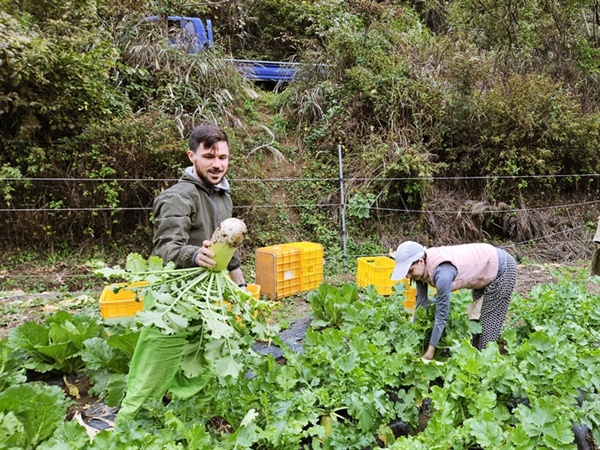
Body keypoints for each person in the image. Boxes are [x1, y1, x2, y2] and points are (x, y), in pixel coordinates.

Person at [115, 124, 247, 427]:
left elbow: (228, 249)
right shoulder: (177, 197)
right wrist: (193, 255)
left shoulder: (222, 195)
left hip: (205, 295)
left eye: (223, 157)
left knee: (195, 359)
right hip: (172, 297)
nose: (217, 164)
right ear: (192, 156)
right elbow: (164, 250)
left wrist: (240, 284)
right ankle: (127, 425)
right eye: (209, 156)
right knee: (155, 364)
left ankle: (180, 416)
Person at [390, 241, 517, 361]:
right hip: (482, 272)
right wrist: (414, 336)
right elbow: (421, 304)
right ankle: (477, 358)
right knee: (477, 323)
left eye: (410, 271)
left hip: (501, 269)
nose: (408, 276)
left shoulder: (442, 274)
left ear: (421, 261)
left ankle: (486, 364)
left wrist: (430, 351)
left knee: (489, 324)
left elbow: (441, 315)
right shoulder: (420, 271)